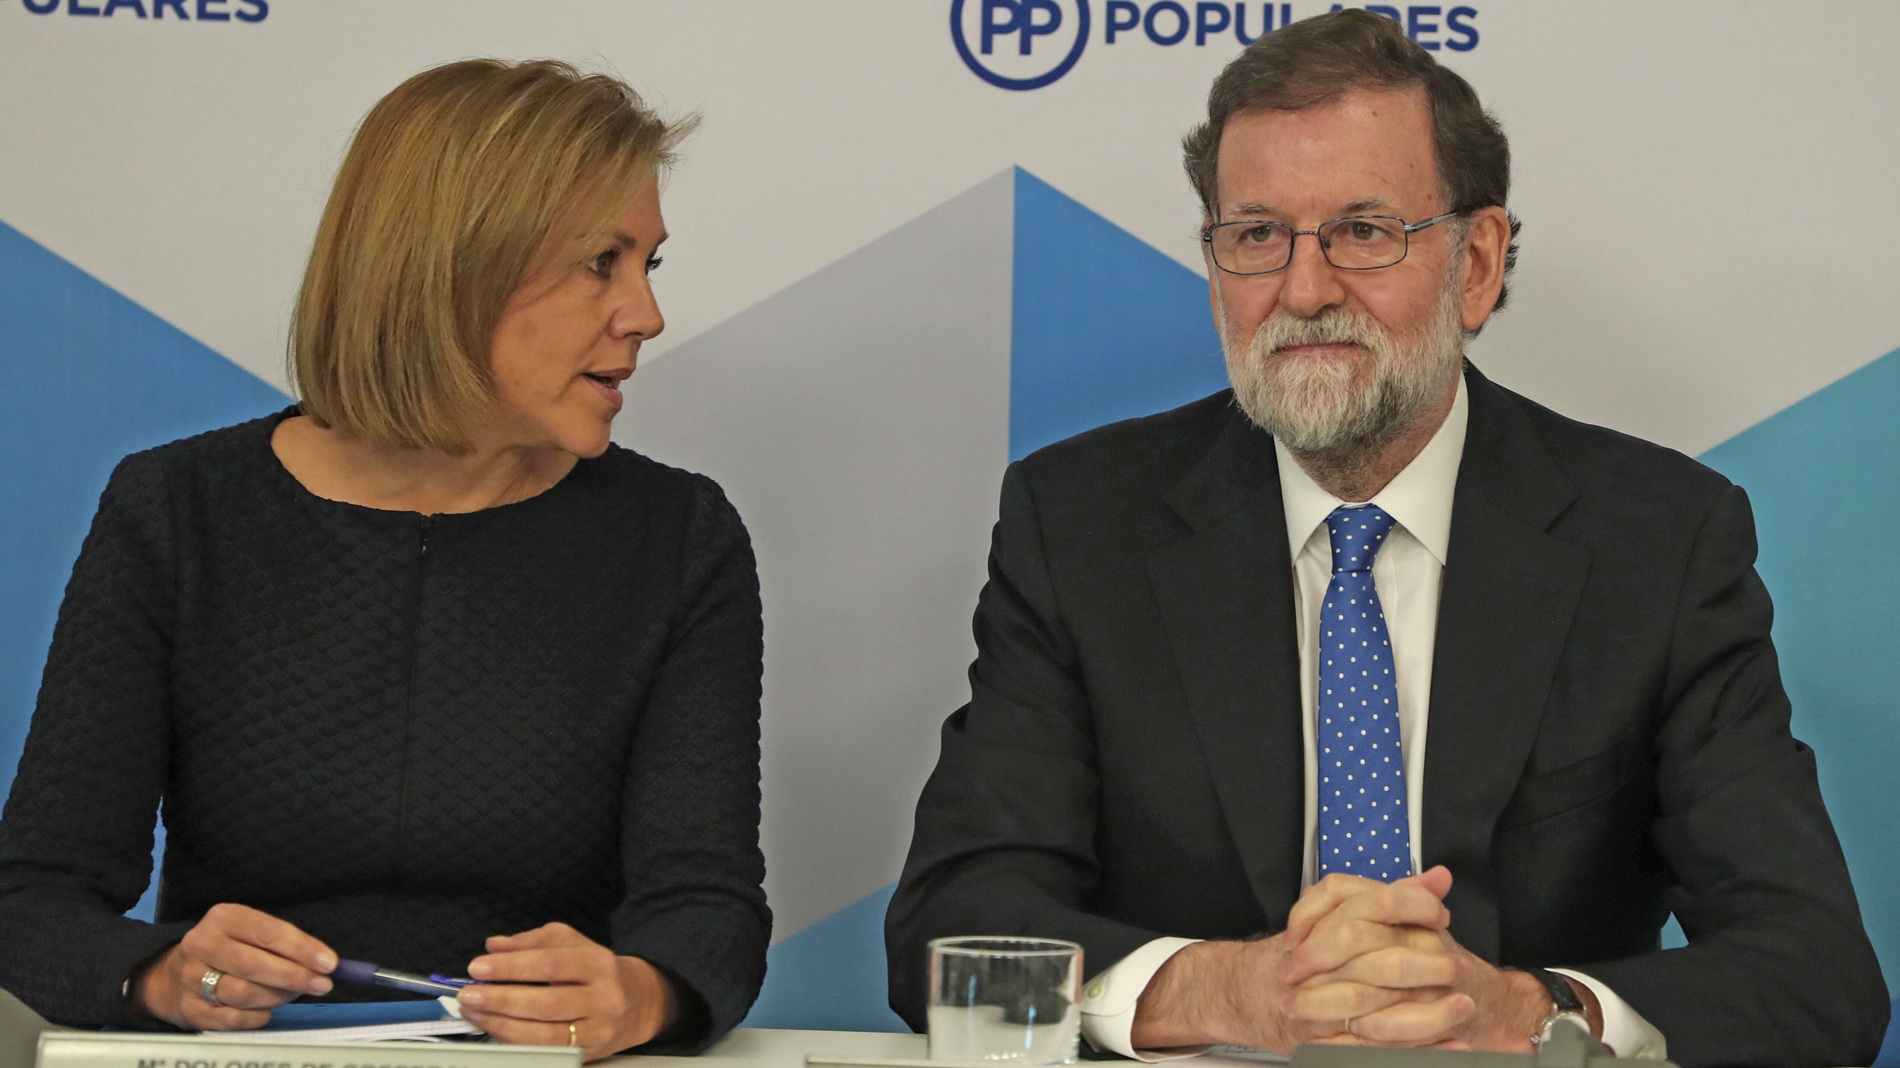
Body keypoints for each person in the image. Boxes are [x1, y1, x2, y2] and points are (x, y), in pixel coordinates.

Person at [885, 11, 1887, 1068]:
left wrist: (1520, 1014)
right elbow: (951, 930)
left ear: (1476, 263)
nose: (1304, 290)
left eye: (1364, 232)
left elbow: (1815, 976)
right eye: (1256, 235)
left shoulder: (1658, 540)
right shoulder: (1083, 523)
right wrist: (1234, 991)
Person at [0, 59, 768, 1060]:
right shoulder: (177, 510)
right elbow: (35, 896)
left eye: (647, 265)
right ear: (456, 268)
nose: (645, 315)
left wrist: (645, 995)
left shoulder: (679, 535)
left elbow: (706, 907)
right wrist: (159, 976)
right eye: (601, 264)